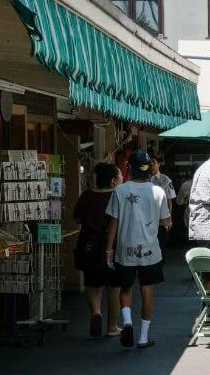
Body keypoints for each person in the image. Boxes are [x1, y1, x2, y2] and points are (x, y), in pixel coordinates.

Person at [105, 150, 172, 350]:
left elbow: (113, 222)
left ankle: (126, 322)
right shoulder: (158, 191)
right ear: (149, 170)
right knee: (147, 290)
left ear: (129, 169)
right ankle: (143, 337)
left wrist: (108, 249)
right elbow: (166, 222)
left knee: (125, 288)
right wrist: (166, 224)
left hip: (125, 247)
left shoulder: (120, 190)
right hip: (150, 249)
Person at [74, 162, 122, 338]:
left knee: (92, 284)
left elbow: (77, 218)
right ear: (112, 180)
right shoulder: (117, 195)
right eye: (119, 176)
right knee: (113, 286)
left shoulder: (87, 195)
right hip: (113, 246)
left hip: (88, 245)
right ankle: (112, 327)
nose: (122, 178)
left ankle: (96, 312)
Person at [150, 155, 177, 244]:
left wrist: (169, 219)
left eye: (154, 162)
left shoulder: (165, 180)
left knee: (159, 242)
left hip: (160, 216)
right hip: (147, 216)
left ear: (159, 164)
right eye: (150, 162)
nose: (151, 164)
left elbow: (169, 201)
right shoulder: (144, 179)